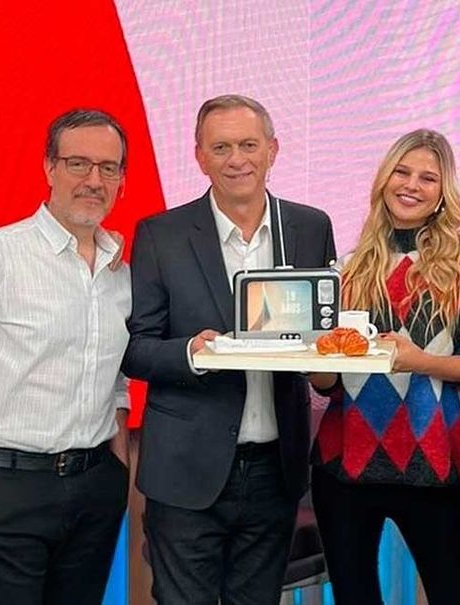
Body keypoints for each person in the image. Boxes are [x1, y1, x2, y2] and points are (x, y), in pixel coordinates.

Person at [122, 94, 336, 605]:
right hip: (184, 470)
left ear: (273, 150)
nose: (236, 159)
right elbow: (135, 349)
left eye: (248, 145)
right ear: (199, 157)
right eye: (220, 147)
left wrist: (329, 361)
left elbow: (324, 334)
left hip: (275, 471)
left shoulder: (310, 227)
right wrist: (192, 354)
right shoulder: (160, 234)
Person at [0, 109, 133, 605]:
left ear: (121, 180)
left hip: (94, 489)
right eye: (78, 163)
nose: (94, 180)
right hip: (2, 491)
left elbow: (116, 381)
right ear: (49, 167)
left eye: (108, 167)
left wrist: (117, 469)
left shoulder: (120, 272)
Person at [308, 129, 460, 605]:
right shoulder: (346, 267)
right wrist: (310, 360)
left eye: (428, 177)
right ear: (384, 179)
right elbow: (331, 386)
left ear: (443, 191)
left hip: (434, 464)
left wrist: (420, 361)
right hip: (343, 467)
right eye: (402, 171)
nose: (412, 185)